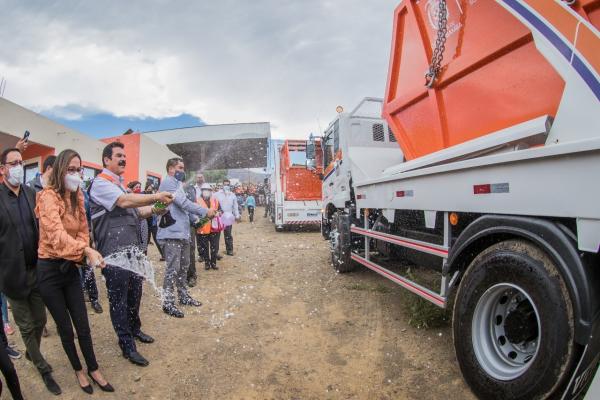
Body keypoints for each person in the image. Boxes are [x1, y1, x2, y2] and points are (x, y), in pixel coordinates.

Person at [35, 149, 114, 394]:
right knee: (65, 328)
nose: (76, 174)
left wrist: (84, 251)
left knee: (83, 323)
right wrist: (85, 251)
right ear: (60, 170)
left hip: (70, 266)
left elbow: (83, 229)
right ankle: (79, 370)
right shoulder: (48, 197)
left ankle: (94, 368)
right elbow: (56, 237)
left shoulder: (77, 195)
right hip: (49, 270)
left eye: (78, 169)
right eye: (70, 169)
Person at [89, 141, 173, 367]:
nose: (123, 159)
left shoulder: (120, 186)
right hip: (113, 254)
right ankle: (126, 344)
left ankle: (135, 330)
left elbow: (138, 212)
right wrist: (156, 196)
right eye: (118, 155)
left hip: (132, 252)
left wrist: (159, 208)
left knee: (135, 294)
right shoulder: (100, 183)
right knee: (118, 300)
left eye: (125, 156)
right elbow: (124, 202)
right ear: (106, 160)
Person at [0, 147, 60, 395]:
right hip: (11, 275)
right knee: (25, 326)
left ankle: (30, 351)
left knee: (40, 320)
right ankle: (42, 367)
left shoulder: (31, 193)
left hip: (37, 270)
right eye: (12, 163)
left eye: (20, 162)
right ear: (2, 169)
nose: (18, 167)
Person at [157, 158, 214, 318]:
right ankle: (168, 302)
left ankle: (183, 296)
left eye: (183, 168)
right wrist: (204, 211)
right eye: (180, 168)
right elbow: (183, 203)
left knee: (184, 267)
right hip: (171, 233)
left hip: (182, 233)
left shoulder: (178, 185)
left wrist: (195, 220)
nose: (183, 171)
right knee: (173, 269)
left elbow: (185, 207)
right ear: (170, 168)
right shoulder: (168, 183)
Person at [26, 156, 56, 337]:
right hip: (37, 243)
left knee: (54, 285)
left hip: (55, 244)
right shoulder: (31, 187)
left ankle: (61, 321)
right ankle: (41, 321)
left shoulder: (58, 188)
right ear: (49, 168)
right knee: (39, 285)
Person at [79, 179, 103, 314]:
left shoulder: (84, 195)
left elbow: (89, 218)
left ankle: (94, 299)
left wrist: (91, 239)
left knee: (88, 269)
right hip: (69, 242)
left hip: (85, 239)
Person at [196, 184, 221, 270]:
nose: (206, 191)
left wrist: (219, 213)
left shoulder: (215, 200)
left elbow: (220, 210)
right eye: (204, 190)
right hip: (203, 227)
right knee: (205, 247)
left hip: (214, 227)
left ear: (211, 191)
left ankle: (213, 263)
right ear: (201, 191)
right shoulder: (197, 201)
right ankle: (207, 263)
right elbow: (195, 214)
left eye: (208, 190)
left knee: (214, 246)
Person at [214, 179, 241, 256]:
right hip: (218, 217)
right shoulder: (217, 194)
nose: (226, 186)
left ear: (230, 185)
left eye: (228, 185)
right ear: (222, 185)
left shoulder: (232, 195)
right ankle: (215, 252)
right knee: (216, 235)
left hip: (228, 217)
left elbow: (235, 206)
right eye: (225, 184)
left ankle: (229, 250)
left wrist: (237, 215)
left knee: (228, 234)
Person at [144, 182, 164, 260]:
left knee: (157, 239)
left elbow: (158, 207)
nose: (150, 190)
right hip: (145, 222)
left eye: (151, 189)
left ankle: (163, 255)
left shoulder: (155, 197)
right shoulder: (143, 196)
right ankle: (144, 257)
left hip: (153, 222)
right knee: (145, 240)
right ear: (145, 189)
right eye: (148, 189)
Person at [183, 180, 198, 287]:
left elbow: (192, 205)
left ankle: (191, 275)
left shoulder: (189, 188)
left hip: (189, 223)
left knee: (190, 249)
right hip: (175, 224)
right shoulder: (168, 186)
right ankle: (182, 275)